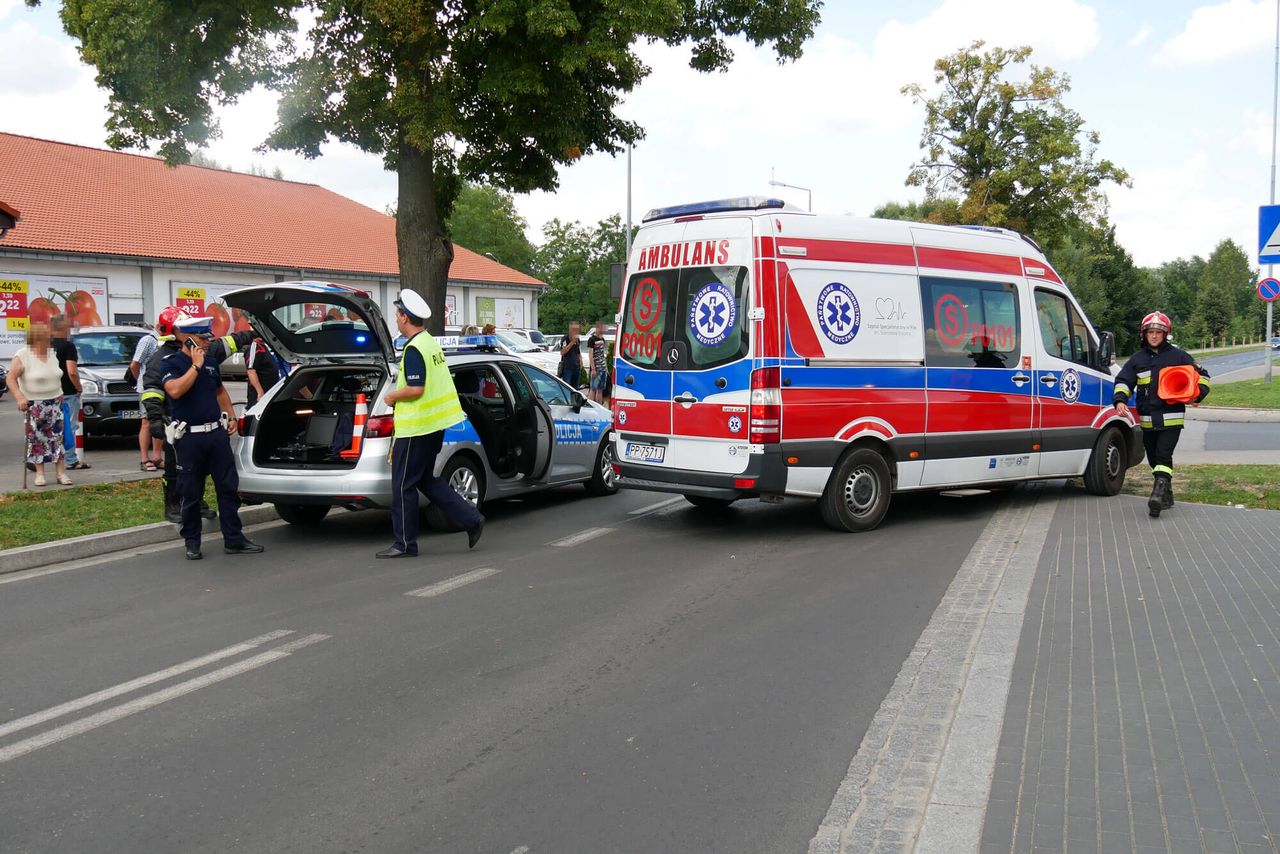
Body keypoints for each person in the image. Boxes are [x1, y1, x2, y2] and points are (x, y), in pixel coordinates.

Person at [377, 288, 483, 559]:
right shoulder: (430, 343)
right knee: (426, 481)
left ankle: (404, 544)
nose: (396, 319)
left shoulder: (414, 349)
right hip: (432, 427)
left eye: (398, 314)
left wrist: (391, 396)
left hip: (416, 429)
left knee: (403, 486)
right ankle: (471, 519)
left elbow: (416, 388)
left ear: (404, 317)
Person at [155, 314, 264, 560]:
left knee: (228, 488)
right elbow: (174, 390)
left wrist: (231, 416)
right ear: (188, 340)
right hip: (190, 438)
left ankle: (234, 539)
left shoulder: (212, 363)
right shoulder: (171, 363)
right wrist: (195, 365)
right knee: (191, 492)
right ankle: (192, 542)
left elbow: (219, 391)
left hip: (215, 434)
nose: (207, 343)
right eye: (202, 339)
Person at [143, 306, 256, 524]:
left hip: (204, 425)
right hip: (175, 422)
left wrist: (251, 334)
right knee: (174, 468)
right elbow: (152, 391)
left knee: (200, 470)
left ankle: (198, 503)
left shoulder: (204, 352)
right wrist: (156, 417)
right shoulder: (162, 359)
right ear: (176, 331)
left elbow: (226, 345)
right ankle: (173, 505)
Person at [1113, 311, 1210, 518]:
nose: (1155, 336)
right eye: (1151, 332)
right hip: (1147, 421)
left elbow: (1203, 376)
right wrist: (1120, 400)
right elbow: (1123, 381)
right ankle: (1167, 494)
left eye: (1159, 332)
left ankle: (1156, 496)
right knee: (1154, 459)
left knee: (1164, 455)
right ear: (1144, 334)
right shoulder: (1137, 359)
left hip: (1171, 418)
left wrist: (1197, 395)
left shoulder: (1178, 356)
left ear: (1165, 335)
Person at [9, 322, 71, 487]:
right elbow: (11, 378)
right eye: (46, 336)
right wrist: (19, 397)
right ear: (37, 339)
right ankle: (40, 474)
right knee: (37, 439)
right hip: (34, 404)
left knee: (58, 438)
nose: (50, 337)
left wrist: (61, 395)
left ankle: (61, 473)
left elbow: (56, 375)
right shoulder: (23, 355)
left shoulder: (52, 354)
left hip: (56, 401)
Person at [49, 315, 89, 470]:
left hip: (48, 392)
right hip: (67, 392)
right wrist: (78, 387)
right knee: (69, 427)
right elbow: (71, 371)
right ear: (63, 328)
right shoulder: (68, 346)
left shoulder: (44, 347)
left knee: (49, 427)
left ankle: (48, 457)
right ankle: (71, 460)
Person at [129, 326, 163, 472]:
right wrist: (140, 382)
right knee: (147, 422)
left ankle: (157, 457)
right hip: (147, 388)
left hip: (162, 386)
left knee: (159, 420)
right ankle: (144, 459)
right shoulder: (148, 340)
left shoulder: (165, 342)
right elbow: (134, 365)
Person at [245, 337, 281, 409]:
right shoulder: (255, 347)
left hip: (268, 394)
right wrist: (260, 392)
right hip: (260, 396)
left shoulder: (264, 346)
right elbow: (251, 371)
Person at [586, 320, 609, 403]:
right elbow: (590, 355)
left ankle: (599, 407)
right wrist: (593, 369)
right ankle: (590, 406)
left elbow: (603, 354)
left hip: (602, 367)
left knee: (600, 389)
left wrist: (606, 368)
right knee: (593, 388)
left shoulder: (602, 339)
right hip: (596, 367)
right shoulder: (592, 339)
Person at [558, 321, 582, 388]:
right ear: (570, 329)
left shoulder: (578, 340)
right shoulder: (565, 338)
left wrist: (580, 360)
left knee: (575, 388)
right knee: (567, 387)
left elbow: (578, 352)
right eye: (574, 329)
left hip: (576, 367)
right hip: (567, 367)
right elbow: (562, 352)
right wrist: (572, 342)